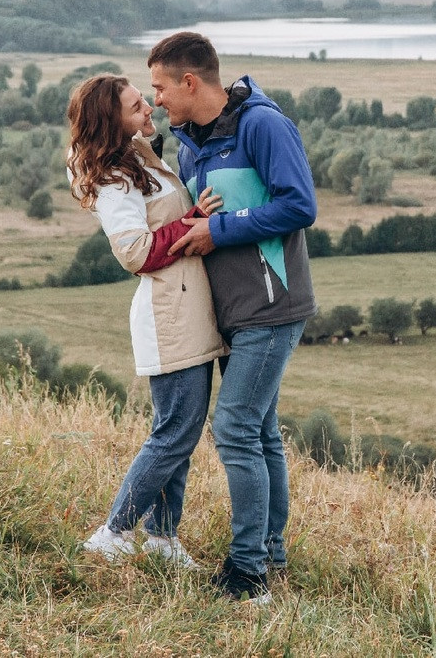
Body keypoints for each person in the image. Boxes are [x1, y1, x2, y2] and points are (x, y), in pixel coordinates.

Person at [149, 32, 317, 603]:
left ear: (189, 82)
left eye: (160, 88)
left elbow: (299, 205)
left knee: (235, 429)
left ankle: (248, 576)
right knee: (261, 432)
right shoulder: (188, 143)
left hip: (272, 304)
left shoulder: (262, 125)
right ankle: (270, 554)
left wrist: (215, 230)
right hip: (232, 312)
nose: (156, 102)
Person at [66, 73, 227, 568]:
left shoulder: (137, 159)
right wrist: (190, 220)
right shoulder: (114, 180)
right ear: (111, 121)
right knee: (175, 430)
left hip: (186, 308)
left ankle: (162, 537)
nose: (148, 110)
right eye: (137, 107)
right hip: (168, 314)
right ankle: (113, 532)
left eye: (144, 100)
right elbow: (135, 252)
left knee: (181, 426)